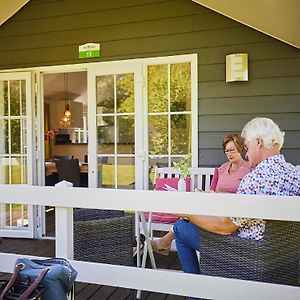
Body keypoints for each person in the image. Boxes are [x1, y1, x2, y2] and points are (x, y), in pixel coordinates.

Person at [173, 117, 300, 299]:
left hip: (244, 254)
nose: (246, 154)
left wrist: (187, 213)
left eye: (247, 148)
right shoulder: (296, 174)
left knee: (181, 227)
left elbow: (226, 227)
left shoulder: (255, 179)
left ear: (259, 143)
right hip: (283, 258)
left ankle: (197, 295)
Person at [151, 133, 252, 255]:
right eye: (226, 151)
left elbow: (246, 195)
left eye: (232, 150)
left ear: (240, 148)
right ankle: (165, 243)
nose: (229, 154)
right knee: (186, 216)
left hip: (230, 215)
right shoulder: (223, 168)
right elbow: (213, 190)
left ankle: (164, 242)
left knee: (182, 223)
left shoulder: (249, 170)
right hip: (215, 207)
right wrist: (205, 193)